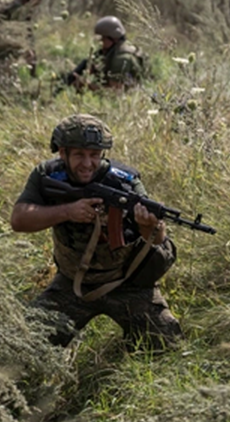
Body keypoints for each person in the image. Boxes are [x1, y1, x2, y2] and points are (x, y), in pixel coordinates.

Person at [10, 114, 182, 351]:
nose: (88, 163)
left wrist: (150, 228)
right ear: (63, 153)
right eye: (79, 155)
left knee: (167, 343)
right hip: (71, 283)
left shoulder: (125, 181)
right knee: (23, 346)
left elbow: (159, 239)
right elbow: (19, 219)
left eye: (94, 155)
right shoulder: (47, 175)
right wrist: (68, 211)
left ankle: (117, 361)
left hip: (127, 284)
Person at [62, 16, 147, 93]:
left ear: (114, 38)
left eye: (103, 39)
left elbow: (115, 93)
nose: (101, 43)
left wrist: (86, 85)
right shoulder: (120, 50)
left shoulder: (121, 59)